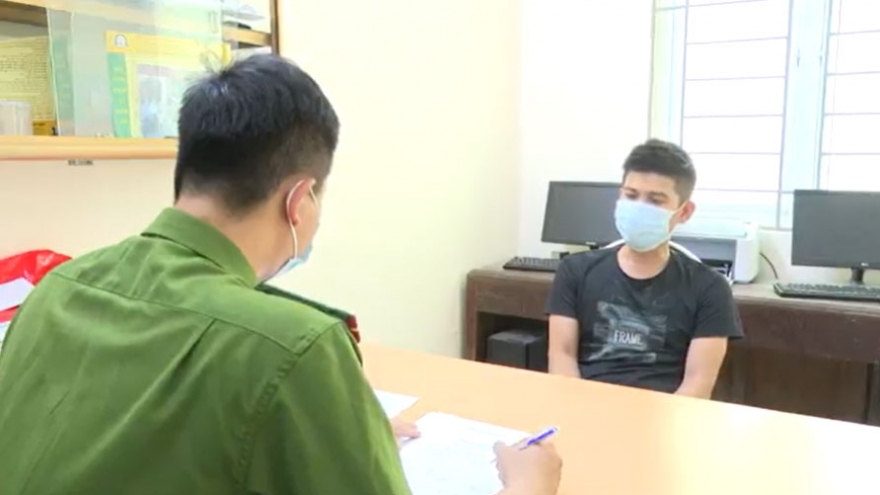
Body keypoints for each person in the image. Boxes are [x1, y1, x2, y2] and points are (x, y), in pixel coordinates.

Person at [0, 54, 560, 495]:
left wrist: (343, 436)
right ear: (299, 201)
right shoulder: (293, 346)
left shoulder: (57, 288)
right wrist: (529, 487)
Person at [546, 139, 743, 398]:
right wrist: (579, 409)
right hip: (585, 405)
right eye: (631, 196)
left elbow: (698, 383)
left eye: (655, 201)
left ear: (684, 212)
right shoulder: (575, 271)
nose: (639, 208)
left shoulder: (710, 288)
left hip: (664, 413)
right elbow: (562, 357)